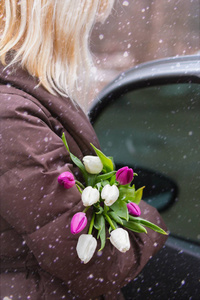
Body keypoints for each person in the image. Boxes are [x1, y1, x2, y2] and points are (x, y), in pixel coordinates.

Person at [0, 1, 167, 299]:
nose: (83, 39)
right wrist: (149, 221)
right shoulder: (11, 116)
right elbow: (92, 263)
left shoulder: (19, 100)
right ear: (53, 21)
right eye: (84, 24)